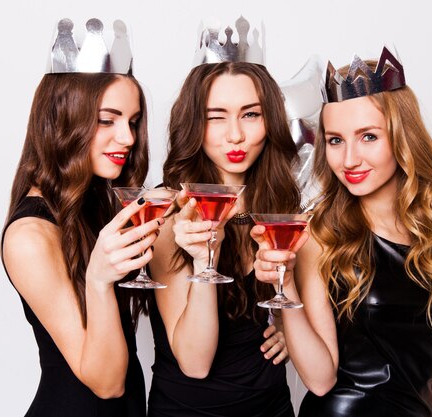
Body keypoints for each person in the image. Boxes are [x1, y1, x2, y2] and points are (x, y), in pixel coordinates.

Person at [252, 48, 432, 417]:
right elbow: (320, 379)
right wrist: (286, 286)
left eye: (368, 137)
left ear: (403, 137)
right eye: (336, 140)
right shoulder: (319, 234)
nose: (349, 159)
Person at [1, 18, 155, 417]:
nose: (128, 138)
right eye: (107, 120)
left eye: (132, 121)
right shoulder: (30, 235)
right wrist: (100, 280)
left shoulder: (93, 204)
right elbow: (106, 383)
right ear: (63, 118)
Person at [146, 18, 300, 417]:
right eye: (216, 116)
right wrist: (204, 257)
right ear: (194, 123)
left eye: (251, 114)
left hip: (272, 407)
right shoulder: (168, 212)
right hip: (189, 410)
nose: (235, 135)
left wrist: (288, 329)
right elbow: (194, 363)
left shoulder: (283, 205)